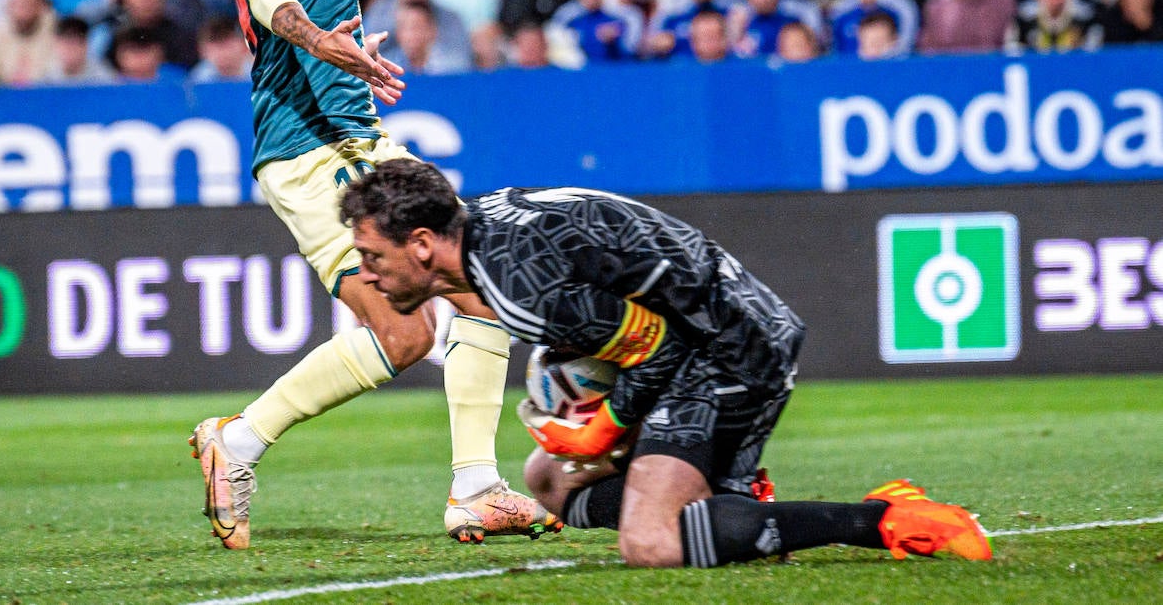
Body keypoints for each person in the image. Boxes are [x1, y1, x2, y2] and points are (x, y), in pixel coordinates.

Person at [188, 0, 558, 553]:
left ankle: (463, 485)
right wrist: (325, 43)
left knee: (444, 307)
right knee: (434, 310)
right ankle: (250, 444)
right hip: (313, 143)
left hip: (348, 132)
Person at [339, 158, 994, 569]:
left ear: (422, 244)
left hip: (730, 346)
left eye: (372, 256)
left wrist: (605, 425)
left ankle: (883, 521)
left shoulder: (515, 282)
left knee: (650, 542)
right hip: (711, 327)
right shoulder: (484, 227)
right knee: (547, 479)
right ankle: (730, 505)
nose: (367, 273)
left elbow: (658, 346)